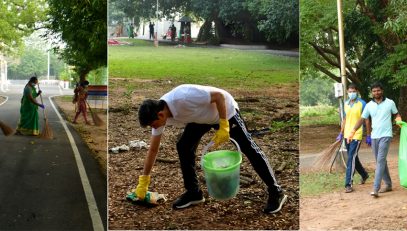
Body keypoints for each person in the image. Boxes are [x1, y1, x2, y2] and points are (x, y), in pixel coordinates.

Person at [134, 84, 287, 214]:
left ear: (160, 115)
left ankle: (276, 191)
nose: (154, 128)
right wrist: (144, 181)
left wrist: (224, 125)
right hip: (201, 118)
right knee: (184, 146)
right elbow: (153, 150)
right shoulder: (159, 116)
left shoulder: (183, 96)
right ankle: (194, 193)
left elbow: (219, 96)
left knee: (248, 147)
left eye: (154, 125)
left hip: (225, 111)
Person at [348, 82, 402, 197]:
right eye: (374, 91)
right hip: (374, 137)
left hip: (386, 135)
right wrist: (353, 131)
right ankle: (388, 184)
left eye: (378, 90)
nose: (376, 93)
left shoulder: (390, 102)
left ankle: (376, 188)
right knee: (381, 161)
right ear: (371, 93)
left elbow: (396, 114)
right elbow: (362, 119)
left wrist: (398, 120)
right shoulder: (369, 105)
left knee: (380, 161)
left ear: (382, 91)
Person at [336, 83, 370, 193]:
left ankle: (348, 184)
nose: (351, 93)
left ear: (357, 91)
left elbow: (366, 120)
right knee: (354, 157)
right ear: (347, 92)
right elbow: (345, 119)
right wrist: (341, 133)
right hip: (347, 135)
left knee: (350, 158)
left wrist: (368, 135)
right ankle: (364, 175)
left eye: (353, 91)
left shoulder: (362, 103)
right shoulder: (346, 104)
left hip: (357, 134)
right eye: (350, 92)